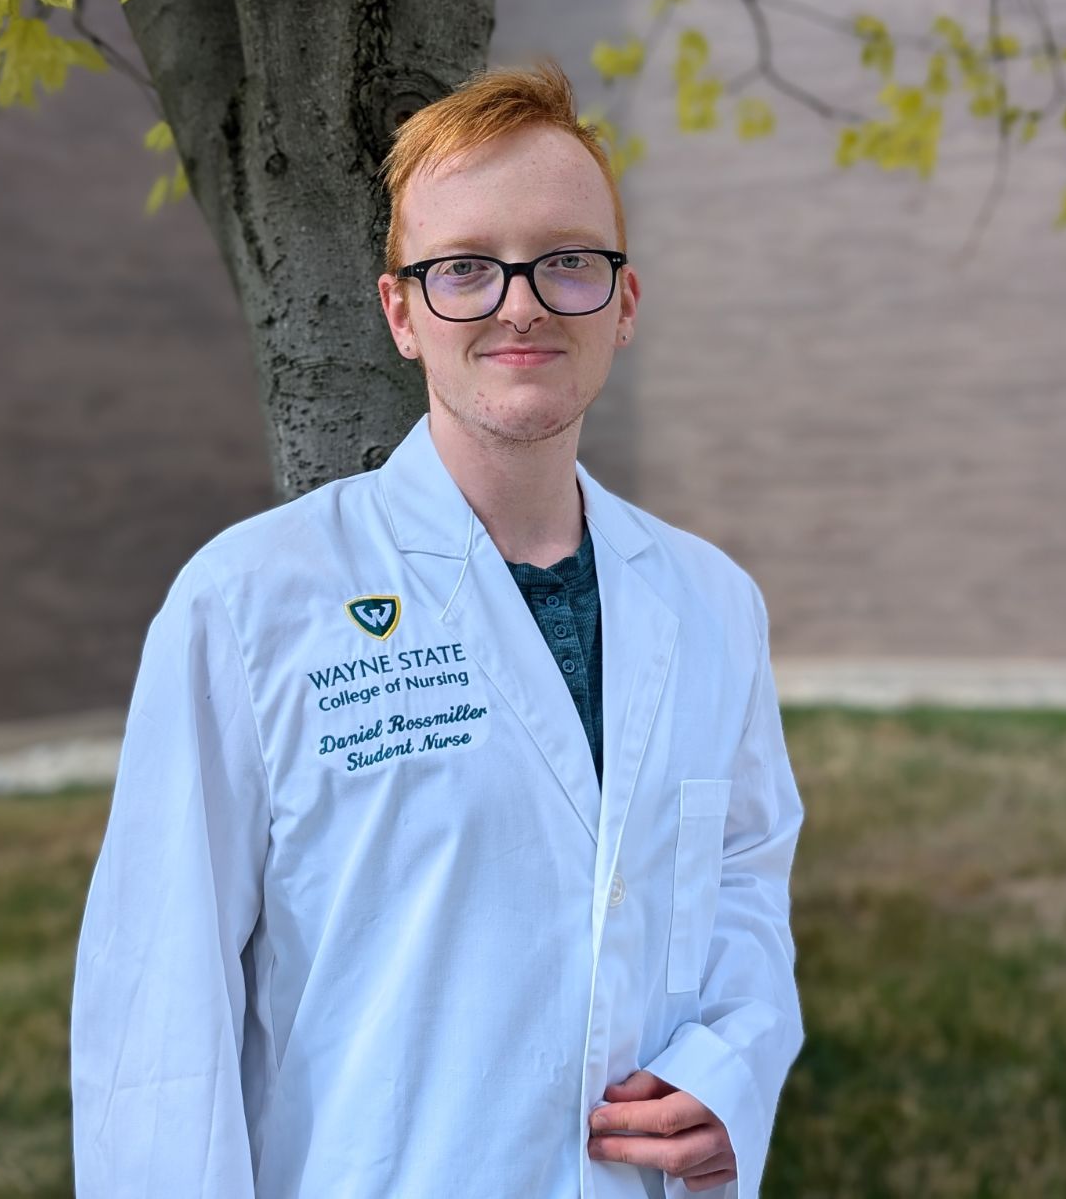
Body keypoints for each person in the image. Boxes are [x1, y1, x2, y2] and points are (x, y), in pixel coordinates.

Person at [70, 58, 805, 1199]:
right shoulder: (250, 604)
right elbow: (158, 1025)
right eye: (466, 268)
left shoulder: (713, 604)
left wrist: (734, 1071)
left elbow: (745, 874)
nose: (518, 302)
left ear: (623, 302)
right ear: (402, 313)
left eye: (566, 261)